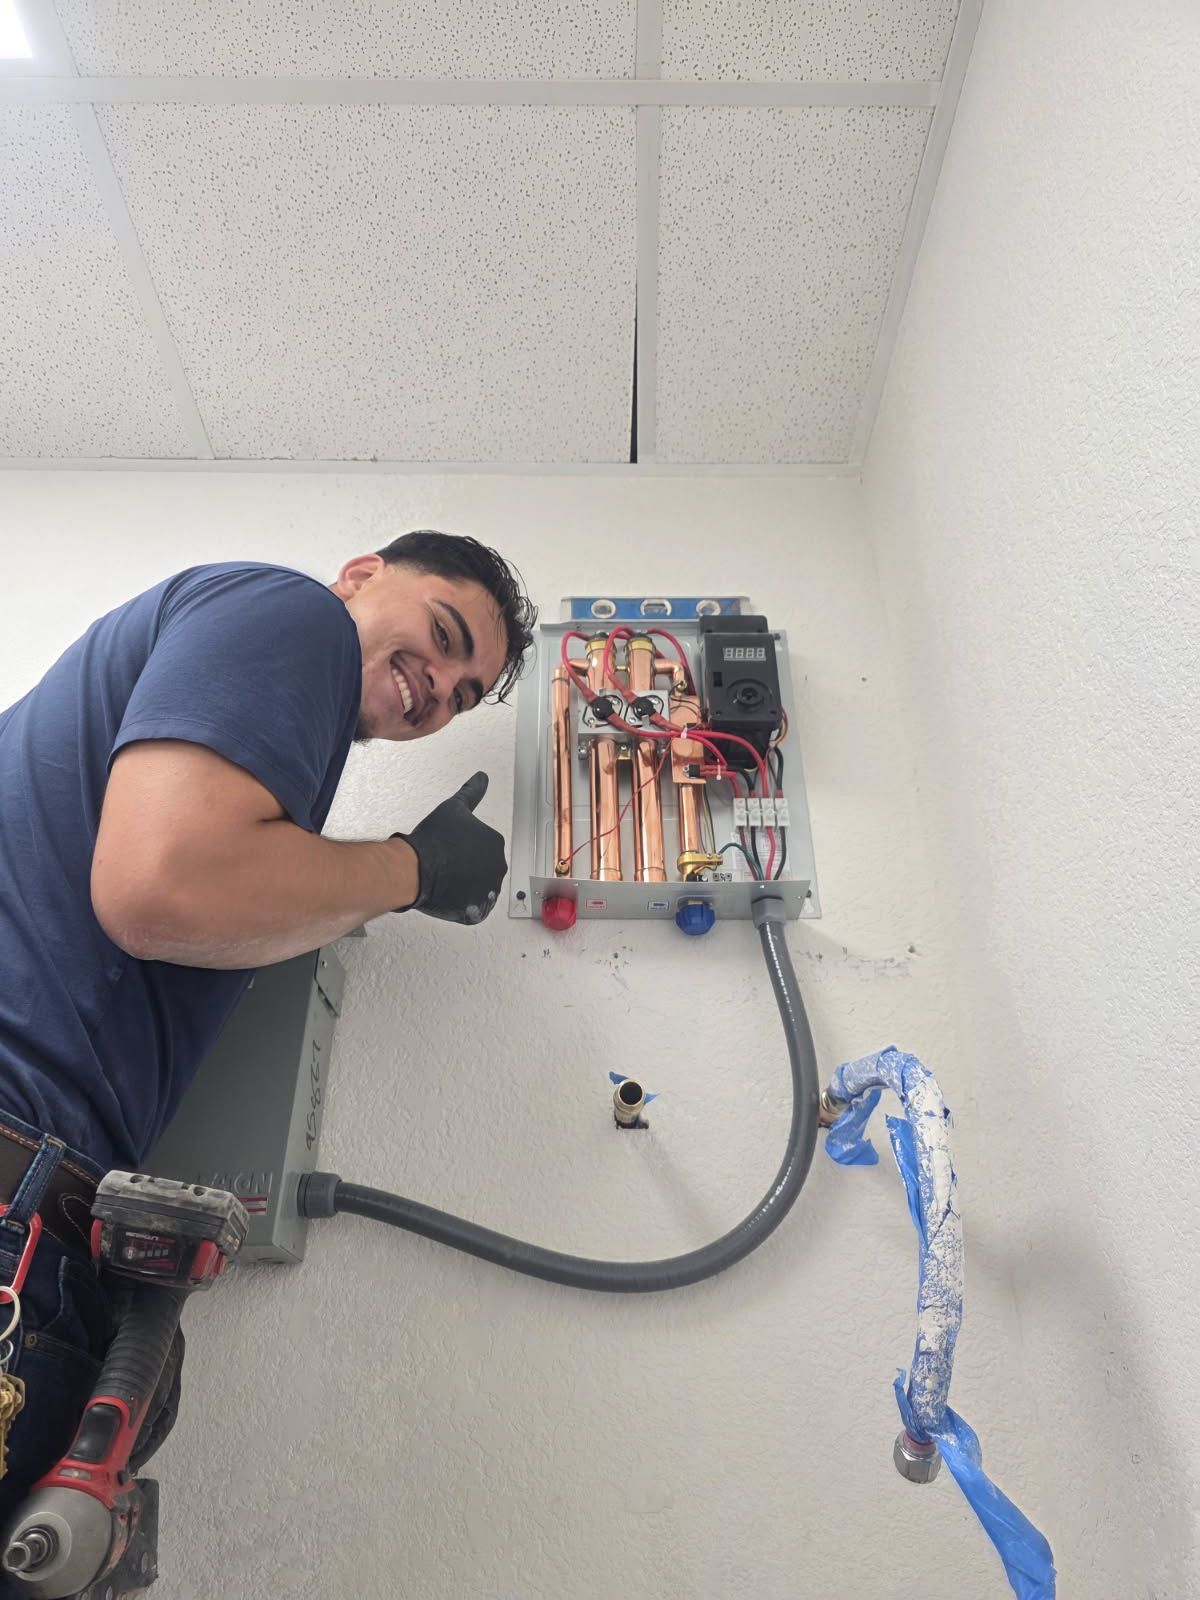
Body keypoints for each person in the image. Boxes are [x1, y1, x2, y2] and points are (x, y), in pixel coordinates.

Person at [0, 530, 536, 1548]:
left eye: (467, 695)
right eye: (445, 633)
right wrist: (409, 869)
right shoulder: (290, 615)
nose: (441, 691)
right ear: (361, 574)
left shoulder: (226, 739)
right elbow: (164, 887)